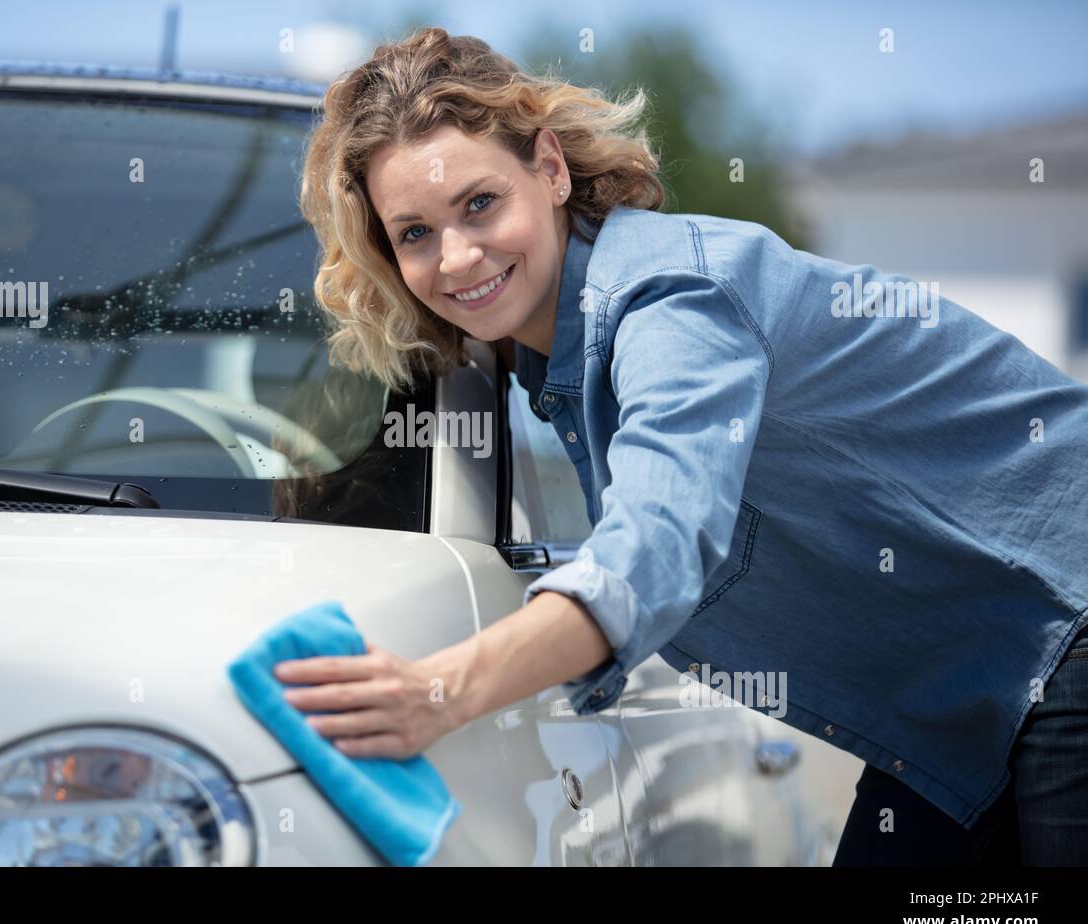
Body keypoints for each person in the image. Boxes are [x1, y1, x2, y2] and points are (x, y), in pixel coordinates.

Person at [275, 26, 1088, 864]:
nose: (457, 256)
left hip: (1065, 618)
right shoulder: (537, 348)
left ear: (550, 170)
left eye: (480, 203)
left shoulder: (671, 301)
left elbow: (658, 537)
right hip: (970, 692)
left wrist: (441, 691)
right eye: (414, 233)